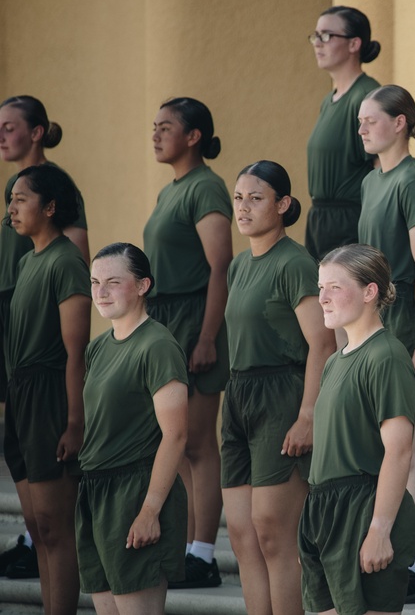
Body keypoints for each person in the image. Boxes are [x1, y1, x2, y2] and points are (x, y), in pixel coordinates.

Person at [221, 160, 337, 615]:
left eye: (256, 198)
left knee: (273, 532)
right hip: (238, 396)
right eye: (238, 198)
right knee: (242, 535)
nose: (244, 208)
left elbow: (323, 342)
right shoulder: (237, 266)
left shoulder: (295, 262)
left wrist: (307, 414)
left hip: (281, 395)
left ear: (283, 205)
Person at [355, 85, 415, 603]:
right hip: (376, 319)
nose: (363, 127)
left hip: (412, 318)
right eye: (361, 120)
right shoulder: (372, 182)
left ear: (400, 122)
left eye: (372, 119)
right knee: (383, 448)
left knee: (413, 452)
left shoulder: (414, 181)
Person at [299, 243, 415, 615]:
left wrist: (379, 530)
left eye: (334, 287)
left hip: (364, 510)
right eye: (321, 287)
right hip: (324, 511)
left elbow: (399, 451)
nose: (322, 298)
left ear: (370, 292)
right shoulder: (335, 362)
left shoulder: (386, 356)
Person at [0, 95, 89, 580]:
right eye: (9, 200)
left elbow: (75, 349)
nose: (11, 210)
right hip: (21, 388)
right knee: (40, 525)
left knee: (56, 527)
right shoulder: (27, 260)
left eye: (20, 200)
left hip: (50, 389)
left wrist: (75, 421)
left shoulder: (63, 259)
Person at [144, 97, 231, 588]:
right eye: (153, 127)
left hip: (195, 319)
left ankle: (202, 553)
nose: (156, 135)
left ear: (194, 135)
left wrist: (207, 336)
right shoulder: (169, 191)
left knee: (197, 443)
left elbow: (220, 266)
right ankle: (180, 547)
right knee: (170, 443)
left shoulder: (207, 188)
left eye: (166, 127)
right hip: (164, 320)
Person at [77, 243, 188, 615]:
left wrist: (149, 511)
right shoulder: (97, 347)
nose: (100, 292)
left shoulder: (157, 346)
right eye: (94, 282)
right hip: (96, 491)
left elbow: (176, 435)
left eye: (113, 282)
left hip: (135, 492)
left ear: (143, 286)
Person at [306, 5, 381, 259]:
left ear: (354, 44)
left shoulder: (367, 96)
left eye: (327, 35)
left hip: (350, 226)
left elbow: (381, 168)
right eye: (316, 36)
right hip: (320, 223)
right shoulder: (329, 100)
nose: (318, 43)